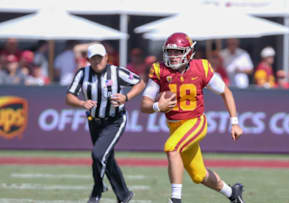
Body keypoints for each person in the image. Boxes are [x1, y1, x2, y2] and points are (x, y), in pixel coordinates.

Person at [140, 32, 245, 203]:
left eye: (178, 52)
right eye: (170, 51)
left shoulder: (201, 68)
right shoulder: (159, 70)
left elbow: (225, 92)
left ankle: (175, 199)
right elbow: (144, 105)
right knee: (199, 175)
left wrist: (235, 123)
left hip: (195, 122)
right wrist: (158, 106)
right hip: (175, 126)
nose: (173, 56)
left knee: (172, 147)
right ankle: (233, 194)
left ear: (189, 53)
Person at [66, 43, 145, 203]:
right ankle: (124, 195)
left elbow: (140, 83)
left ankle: (97, 190)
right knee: (106, 158)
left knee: (98, 154)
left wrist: (126, 97)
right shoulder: (82, 74)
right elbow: (69, 96)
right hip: (94, 121)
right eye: (93, 58)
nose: (97, 61)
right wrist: (82, 103)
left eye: (99, 58)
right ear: (88, 60)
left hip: (115, 120)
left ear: (106, 57)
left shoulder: (116, 72)